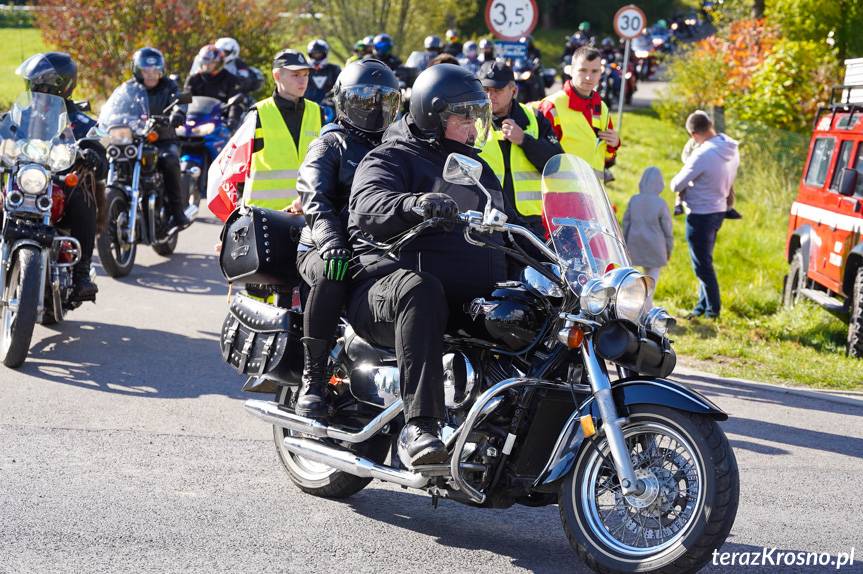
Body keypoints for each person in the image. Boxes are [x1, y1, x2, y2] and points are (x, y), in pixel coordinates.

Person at [348, 64, 504, 467]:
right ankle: (420, 426)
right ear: (432, 115)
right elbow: (368, 204)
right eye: (463, 117)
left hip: (459, 297)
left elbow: (509, 224)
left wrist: (561, 259)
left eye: (477, 115)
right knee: (421, 289)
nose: (473, 127)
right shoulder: (391, 157)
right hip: (384, 288)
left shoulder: (477, 169)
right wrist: (412, 204)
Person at [293, 59, 401, 418]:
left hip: (373, 247)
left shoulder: (394, 145)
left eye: (383, 101)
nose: (374, 109)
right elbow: (313, 197)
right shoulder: (330, 144)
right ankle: (314, 377)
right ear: (344, 101)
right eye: (365, 100)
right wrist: (330, 241)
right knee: (333, 271)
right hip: (322, 246)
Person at [14, 52, 104, 301]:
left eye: (40, 83)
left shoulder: (80, 120)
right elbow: (4, 130)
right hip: (23, 180)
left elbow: (98, 153)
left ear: (58, 86)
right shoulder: (21, 113)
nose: (35, 88)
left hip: (59, 184)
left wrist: (92, 154)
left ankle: (81, 273)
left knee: (83, 199)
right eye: (32, 83)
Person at [477, 60, 562, 242]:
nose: (490, 96)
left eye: (497, 90)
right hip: (484, 221)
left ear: (513, 90)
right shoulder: (470, 120)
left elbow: (556, 164)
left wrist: (524, 140)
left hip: (529, 223)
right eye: (486, 90)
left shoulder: (535, 118)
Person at [232, 49, 323, 210]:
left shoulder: (317, 112)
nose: (303, 81)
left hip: (307, 211)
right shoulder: (257, 114)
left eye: (305, 75)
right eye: (295, 75)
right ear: (277, 76)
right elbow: (237, 166)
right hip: (264, 214)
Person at [670, 110, 740, 319]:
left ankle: (713, 310)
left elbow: (676, 184)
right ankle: (701, 306)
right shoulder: (729, 146)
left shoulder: (703, 153)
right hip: (719, 209)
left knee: (702, 265)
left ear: (693, 134)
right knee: (704, 259)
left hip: (701, 212)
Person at [129, 47, 190, 229]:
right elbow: (116, 105)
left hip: (163, 138)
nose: (151, 75)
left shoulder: (169, 86)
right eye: (146, 71)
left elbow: (180, 100)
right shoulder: (129, 88)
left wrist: (178, 112)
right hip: (135, 139)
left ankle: (178, 211)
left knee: (169, 160)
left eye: (155, 71)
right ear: (137, 71)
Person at [538, 46, 620, 178]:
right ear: (570, 71)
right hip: (560, 193)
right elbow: (540, 155)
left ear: (601, 73)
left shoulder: (602, 107)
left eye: (595, 71)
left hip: (593, 193)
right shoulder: (552, 106)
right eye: (583, 70)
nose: (589, 77)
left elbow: (606, 158)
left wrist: (614, 145)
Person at [622, 167, 674, 309]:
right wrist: (669, 249)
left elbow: (625, 223)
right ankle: (647, 305)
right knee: (652, 277)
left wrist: (623, 244)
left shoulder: (634, 200)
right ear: (660, 184)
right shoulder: (661, 203)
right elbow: (668, 230)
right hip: (656, 247)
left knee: (632, 276)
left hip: (634, 245)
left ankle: (629, 304)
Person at [675, 130, 741, 219]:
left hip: (712, 167)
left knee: (728, 185)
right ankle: (678, 203)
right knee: (683, 181)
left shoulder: (715, 143)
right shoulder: (692, 143)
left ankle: (728, 208)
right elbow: (686, 157)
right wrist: (691, 165)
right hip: (695, 166)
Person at [184, 44, 243, 129]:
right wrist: (178, 113)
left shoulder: (230, 79)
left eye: (210, 63)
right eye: (204, 62)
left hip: (221, 123)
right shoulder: (193, 79)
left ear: (219, 63)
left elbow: (235, 104)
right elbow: (185, 99)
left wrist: (233, 119)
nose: (206, 65)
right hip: (194, 122)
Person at [304, 39, 341, 107]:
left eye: (319, 54)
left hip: (330, 107)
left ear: (325, 54)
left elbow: (340, 89)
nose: (317, 56)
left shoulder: (334, 69)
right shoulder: (303, 70)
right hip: (307, 106)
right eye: (314, 54)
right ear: (309, 54)